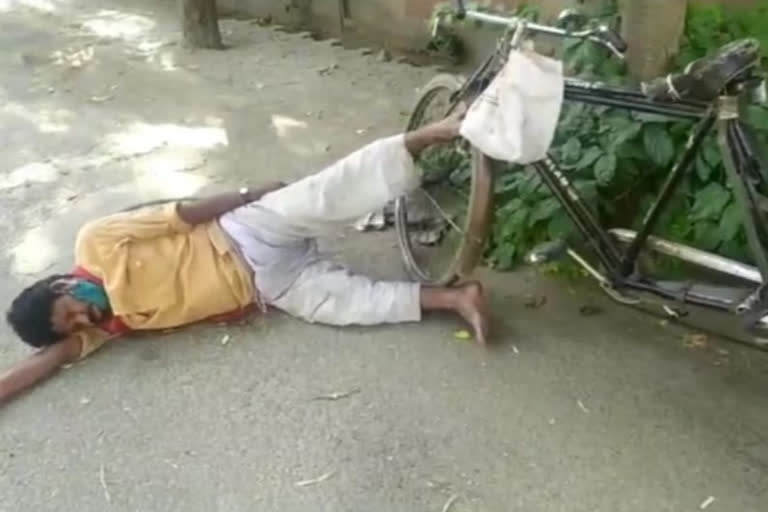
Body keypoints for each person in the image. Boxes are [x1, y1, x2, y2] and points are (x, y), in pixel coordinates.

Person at [0, 115, 488, 405]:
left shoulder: (96, 242)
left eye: (72, 310)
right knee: (343, 305)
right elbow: (45, 363)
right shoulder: (103, 328)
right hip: (268, 286)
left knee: (326, 193)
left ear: (61, 284)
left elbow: (179, 215)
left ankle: (431, 133)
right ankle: (455, 297)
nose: (85, 317)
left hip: (241, 230)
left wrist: (247, 193)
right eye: (74, 326)